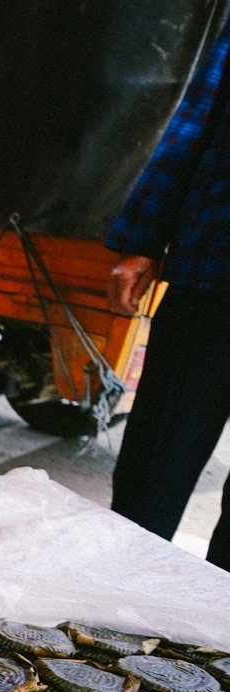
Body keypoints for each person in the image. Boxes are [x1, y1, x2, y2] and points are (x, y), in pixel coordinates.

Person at [105, 22, 230, 566]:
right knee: (154, 473)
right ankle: (109, 601)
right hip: (214, 270)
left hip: (211, 267)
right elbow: (198, 118)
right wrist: (144, 239)